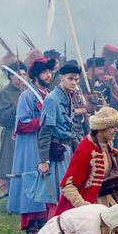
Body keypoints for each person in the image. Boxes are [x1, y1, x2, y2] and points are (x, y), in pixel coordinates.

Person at [7, 58, 53, 234]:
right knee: (31, 180)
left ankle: (44, 220)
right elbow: (21, 124)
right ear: (36, 76)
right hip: (30, 145)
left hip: (46, 143)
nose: (48, 75)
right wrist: (42, 120)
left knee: (46, 181)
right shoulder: (26, 96)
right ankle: (30, 224)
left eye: (49, 72)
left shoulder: (49, 93)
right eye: (44, 72)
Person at [37, 62, 81, 218]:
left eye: (76, 79)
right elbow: (45, 132)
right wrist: (44, 160)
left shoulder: (69, 97)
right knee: (58, 196)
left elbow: (71, 131)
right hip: (56, 153)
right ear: (62, 78)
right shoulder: (52, 99)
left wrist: (81, 151)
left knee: (69, 194)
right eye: (70, 79)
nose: (74, 82)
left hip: (68, 151)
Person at [0, 61, 27, 199]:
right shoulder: (4, 94)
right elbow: (1, 117)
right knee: (13, 169)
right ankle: (13, 198)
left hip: (28, 134)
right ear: (10, 76)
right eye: (18, 75)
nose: (21, 78)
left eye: (24, 74)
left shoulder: (28, 92)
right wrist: (17, 106)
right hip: (12, 135)